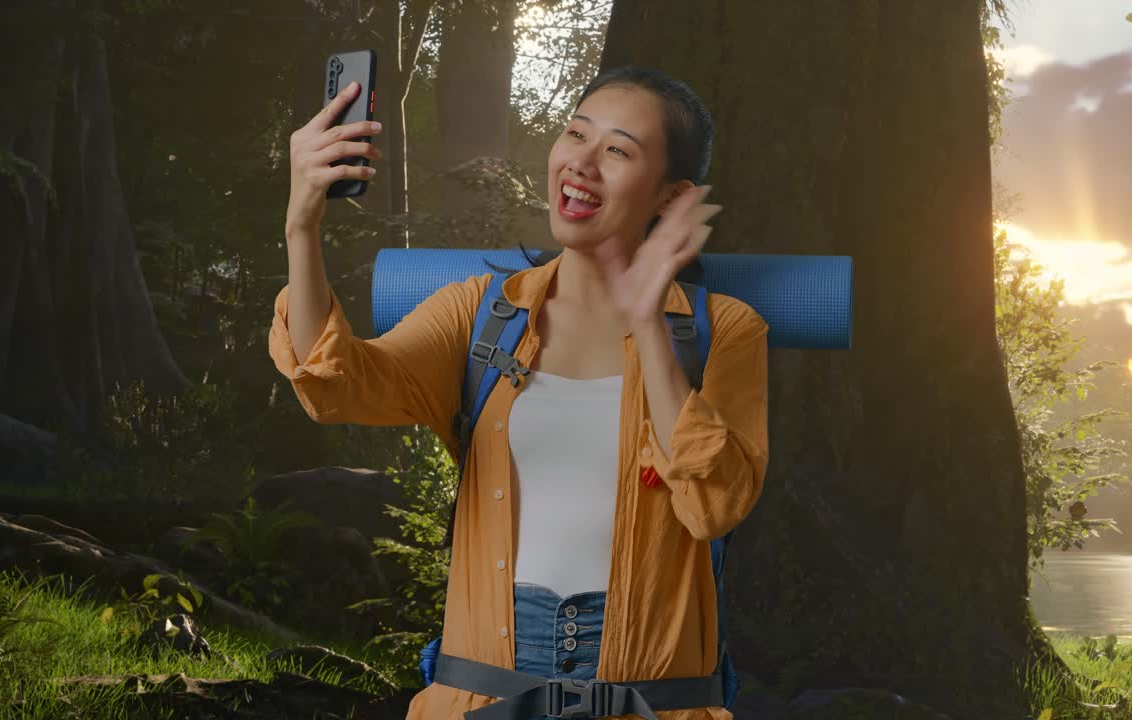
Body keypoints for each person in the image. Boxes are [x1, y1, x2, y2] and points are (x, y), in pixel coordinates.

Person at [269, 65, 769, 720]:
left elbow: (714, 504)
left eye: (617, 151)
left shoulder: (722, 331)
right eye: (575, 135)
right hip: (478, 699)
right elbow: (336, 387)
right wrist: (301, 229)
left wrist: (648, 320)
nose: (581, 164)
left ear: (670, 201)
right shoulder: (479, 314)